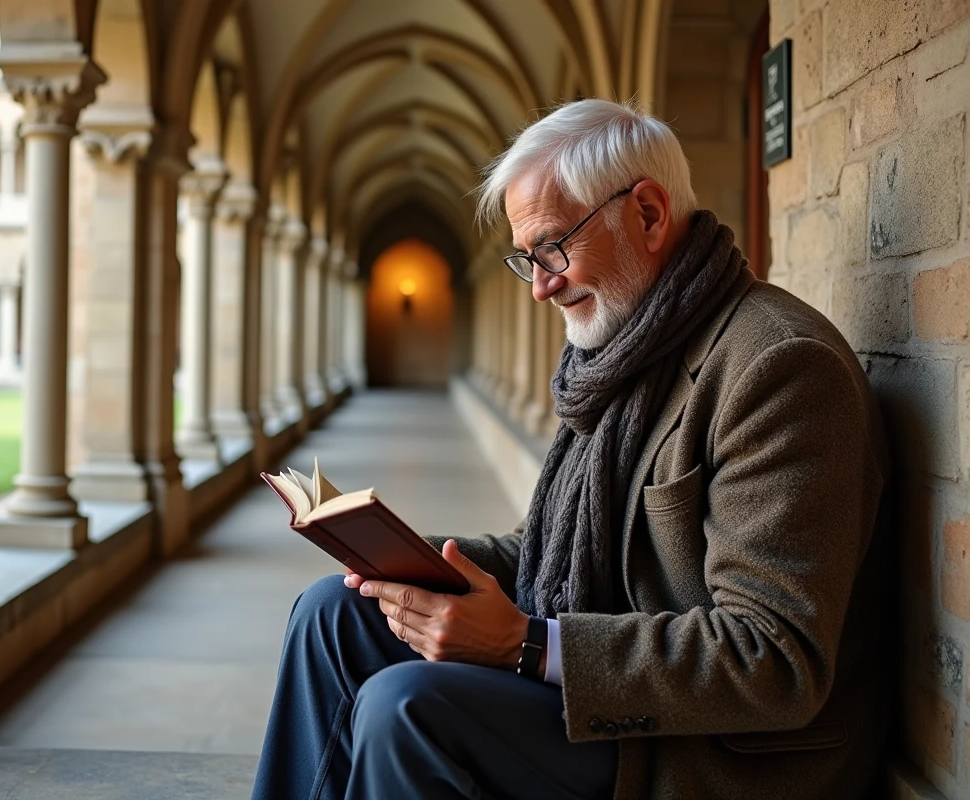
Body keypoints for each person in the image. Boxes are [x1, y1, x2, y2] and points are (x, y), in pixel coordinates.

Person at [251, 98, 889, 800]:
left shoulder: (777, 367)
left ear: (646, 214)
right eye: (527, 260)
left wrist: (523, 642)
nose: (542, 287)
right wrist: (406, 562)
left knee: (405, 708)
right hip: (610, 679)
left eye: (554, 247)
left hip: (703, 753)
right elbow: (550, 550)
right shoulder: (620, 350)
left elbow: (773, 660)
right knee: (331, 614)